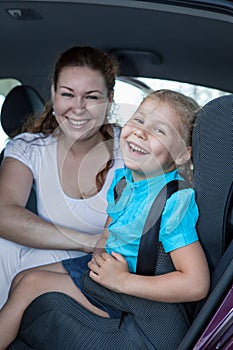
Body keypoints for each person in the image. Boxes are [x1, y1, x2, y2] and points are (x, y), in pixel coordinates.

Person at [0, 89, 210, 349]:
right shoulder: (124, 181)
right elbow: (110, 230)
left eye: (160, 130)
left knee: (29, 285)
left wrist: (122, 281)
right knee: (23, 277)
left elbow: (196, 283)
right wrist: (99, 253)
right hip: (107, 271)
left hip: (131, 294)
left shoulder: (173, 201)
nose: (141, 132)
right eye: (139, 120)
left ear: (180, 154)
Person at [0, 46, 123, 307]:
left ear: (109, 99)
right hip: (48, 253)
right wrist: (86, 241)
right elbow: (3, 213)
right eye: (67, 94)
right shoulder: (29, 147)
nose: (78, 108)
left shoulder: (131, 147)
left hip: (102, 269)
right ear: (54, 94)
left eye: (91, 97)